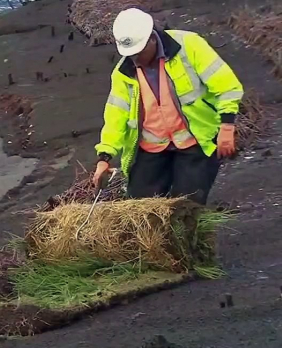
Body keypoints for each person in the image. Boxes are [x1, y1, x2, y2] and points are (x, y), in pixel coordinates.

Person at [93, 8, 244, 205]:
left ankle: (189, 235)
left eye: (138, 52)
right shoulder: (123, 73)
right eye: (130, 54)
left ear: (152, 38)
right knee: (140, 208)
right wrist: (105, 157)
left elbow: (227, 86)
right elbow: (115, 117)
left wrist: (226, 126)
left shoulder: (189, 46)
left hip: (196, 141)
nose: (135, 59)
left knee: (187, 206)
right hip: (151, 146)